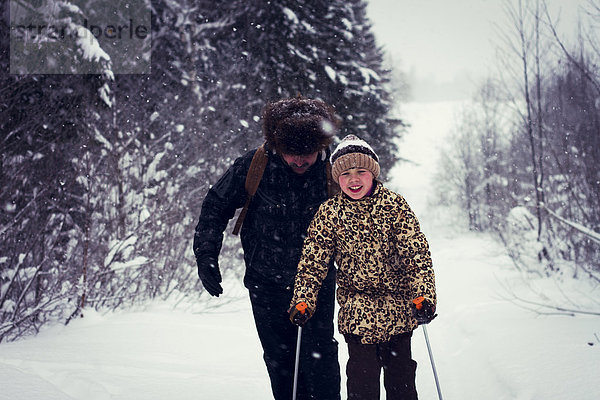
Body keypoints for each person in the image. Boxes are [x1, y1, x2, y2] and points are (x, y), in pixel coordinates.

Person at [193, 96, 341, 400]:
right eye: (291, 154)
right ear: (277, 147)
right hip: (266, 284)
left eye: (307, 154)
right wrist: (206, 255)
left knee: (320, 358)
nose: (299, 161)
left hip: (318, 284)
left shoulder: (336, 171)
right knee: (280, 360)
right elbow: (215, 206)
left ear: (320, 147)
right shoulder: (254, 166)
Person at [288, 134, 437, 400]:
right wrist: (303, 300)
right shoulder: (329, 214)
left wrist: (423, 295)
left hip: (398, 311)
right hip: (357, 314)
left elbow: (416, 254)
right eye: (345, 173)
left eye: (360, 171)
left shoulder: (394, 206)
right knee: (362, 386)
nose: (353, 180)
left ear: (373, 174)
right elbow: (313, 262)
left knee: (401, 384)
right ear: (337, 178)